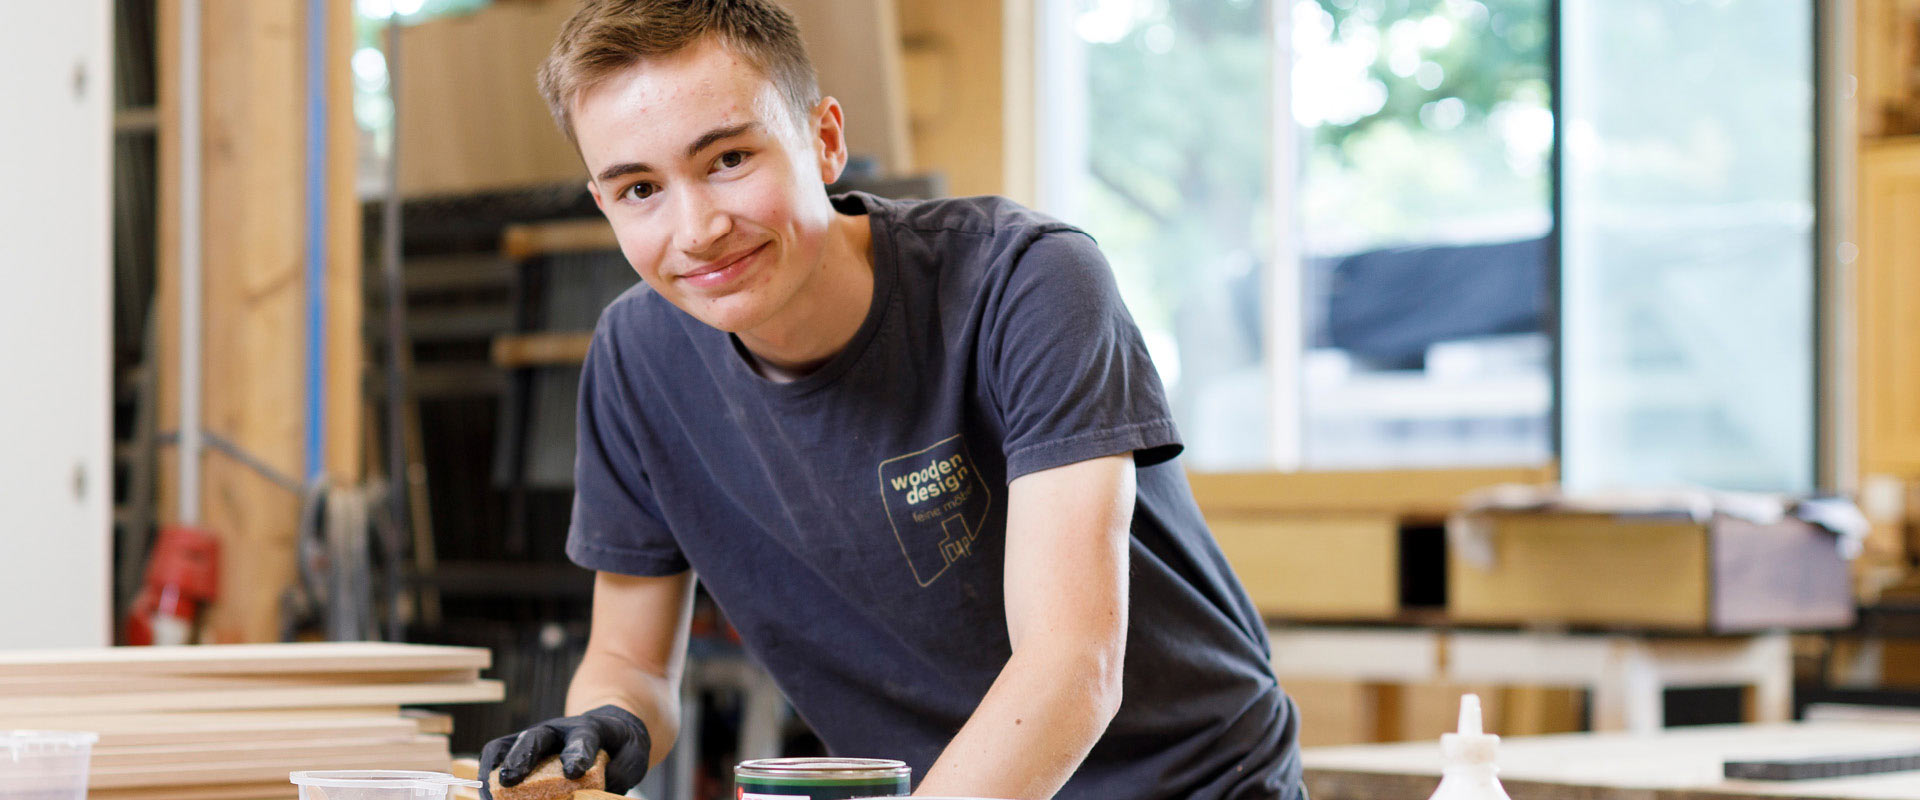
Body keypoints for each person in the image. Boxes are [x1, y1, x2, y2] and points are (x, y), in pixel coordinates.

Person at [479, 1, 1305, 798]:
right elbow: (630, 660)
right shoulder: (637, 360)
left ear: (824, 139)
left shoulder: (1027, 284)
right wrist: (602, 724)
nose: (696, 229)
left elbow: (1070, 667)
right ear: (604, 204)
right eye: (639, 190)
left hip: (1190, 784)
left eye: (728, 160)